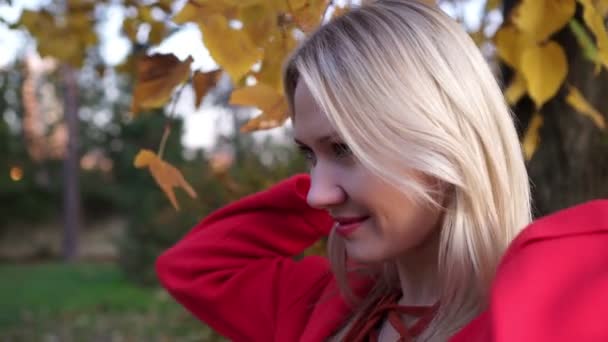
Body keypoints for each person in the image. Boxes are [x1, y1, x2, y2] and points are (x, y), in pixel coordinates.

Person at [155, 1, 608, 341]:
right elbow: (195, 266)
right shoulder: (326, 305)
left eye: (345, 148)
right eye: (308, 155)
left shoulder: (541, 317)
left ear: (444, 145)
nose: (316, 195)